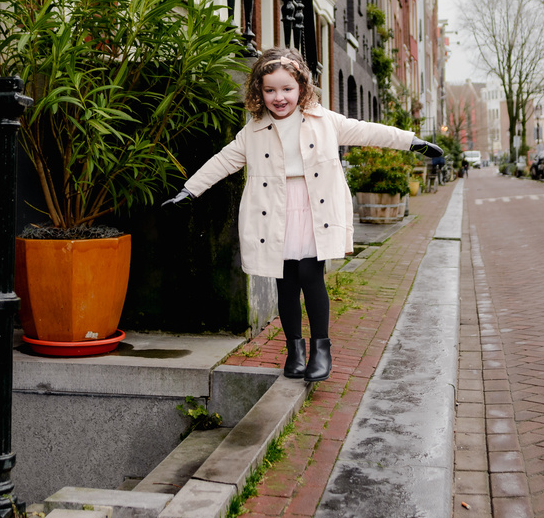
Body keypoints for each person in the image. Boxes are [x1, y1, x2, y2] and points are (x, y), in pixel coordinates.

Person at [162, 47, 442, 382]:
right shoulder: (252, 132)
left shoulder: (325, 121)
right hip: (274, 212)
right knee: (286, 284)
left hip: (314, 208)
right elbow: (223, 160)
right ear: (258, 92)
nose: (279, 97)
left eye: (286, 89)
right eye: (270, 90)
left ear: (301, 88)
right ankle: (295, 350)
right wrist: (189, 189)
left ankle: (321, 349)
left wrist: (413, 142)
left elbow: (368, 131)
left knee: (311, 277)